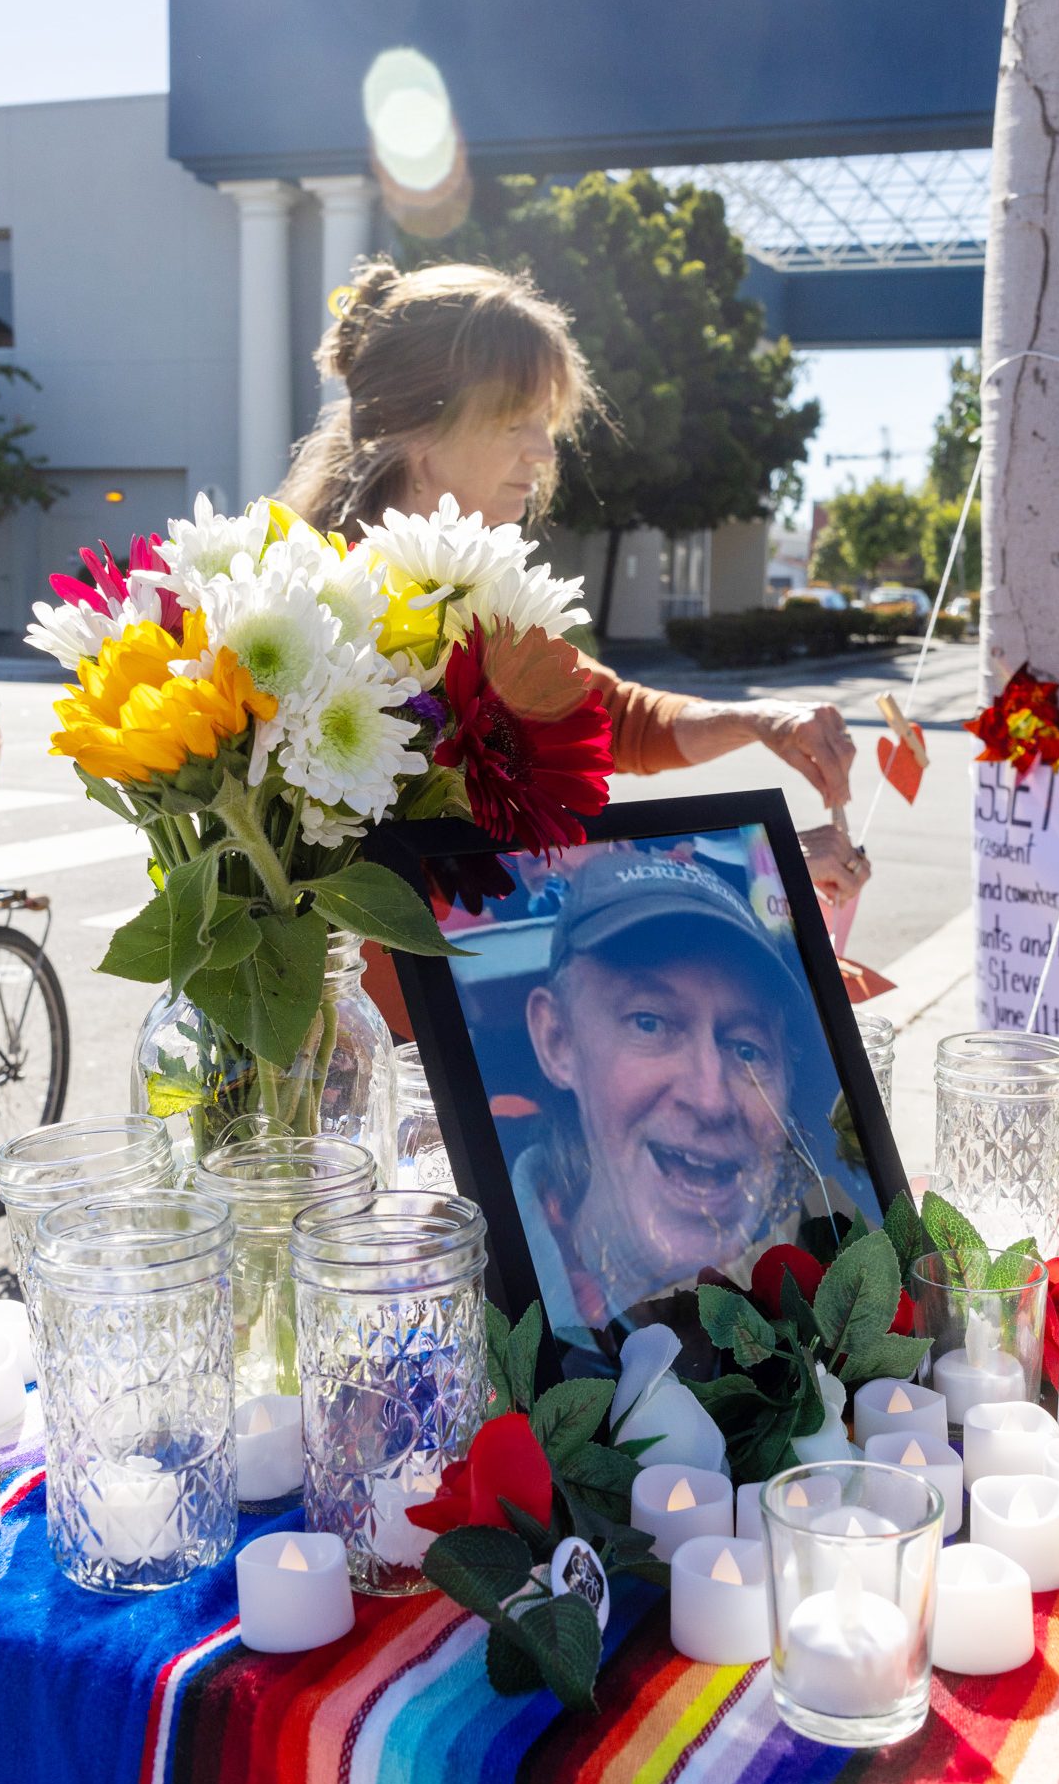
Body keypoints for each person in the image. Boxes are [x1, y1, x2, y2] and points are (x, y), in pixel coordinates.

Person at [277, 258, 872, 905]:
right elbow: (446, 886)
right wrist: (760, 865)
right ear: (420, 437)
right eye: (514, 421)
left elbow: (608, 719)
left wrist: (760, 720)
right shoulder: (324, 624)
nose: (545, 450)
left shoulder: (474, 601)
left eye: (545, 421)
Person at [514, 851, 854, 1374]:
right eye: (649, 1023)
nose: (711, 1098)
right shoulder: (466, 1320)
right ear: (558, 1040)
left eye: (746, 1049)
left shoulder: (834, 1281)